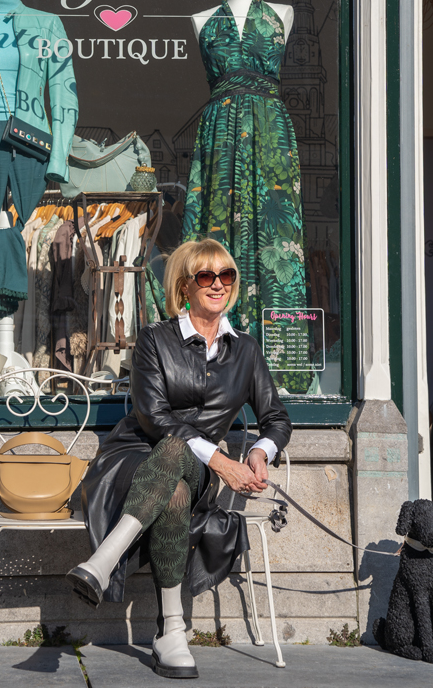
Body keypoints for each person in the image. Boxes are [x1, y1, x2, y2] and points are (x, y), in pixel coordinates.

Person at [66, 238, 292, 679]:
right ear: (184, 286)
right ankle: (172, 630)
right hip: (134, 455)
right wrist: (223, 462)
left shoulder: (245, 349)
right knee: (174, 481)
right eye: (206, 276)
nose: (218, 284)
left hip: (199, 466)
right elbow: (153, 417)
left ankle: (101, 563)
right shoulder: (154, 339)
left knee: (181, 465)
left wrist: (261, 452)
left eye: (226, 275)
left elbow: (276, 418)